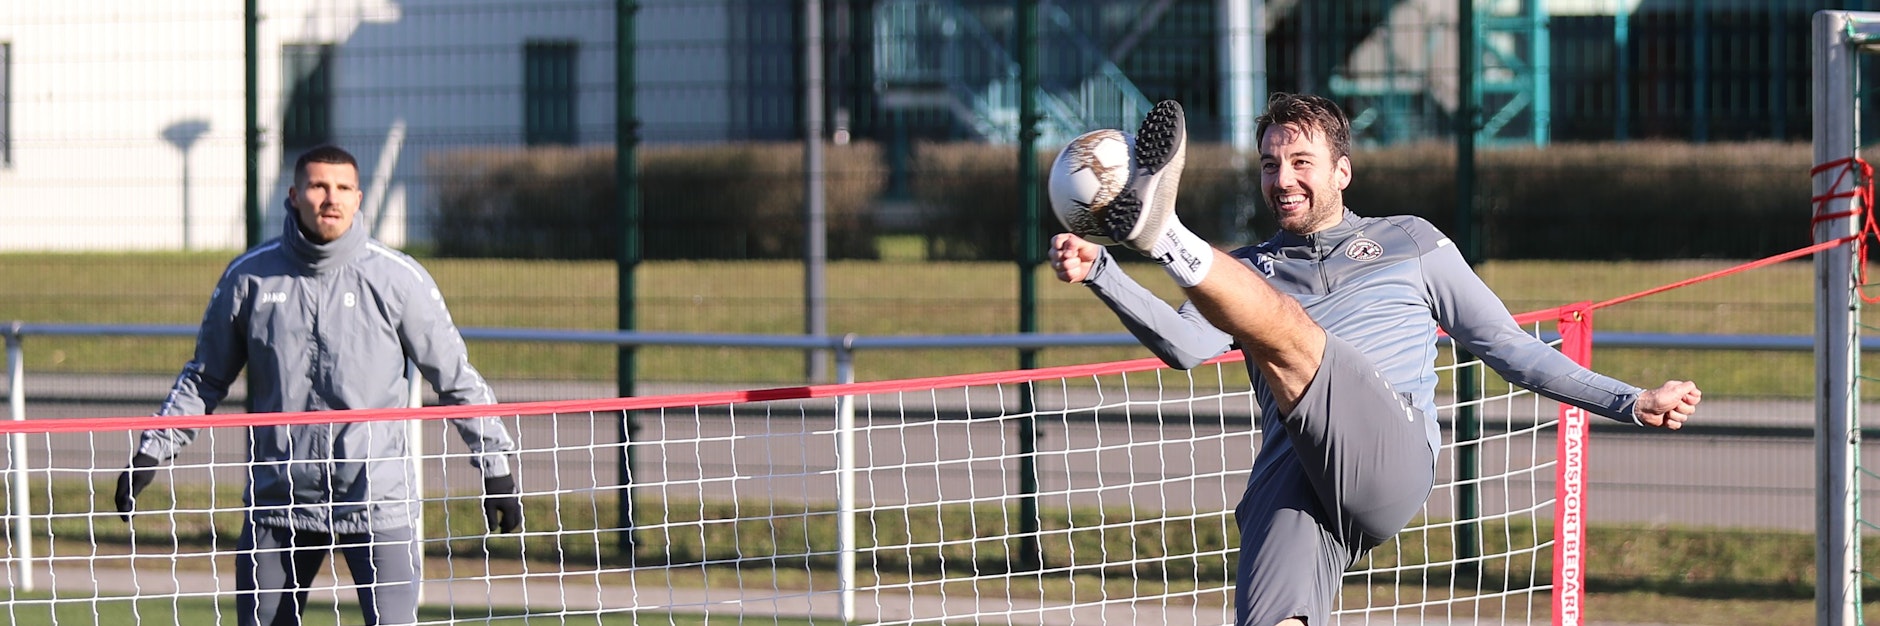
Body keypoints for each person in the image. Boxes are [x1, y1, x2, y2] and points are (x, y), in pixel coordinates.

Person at [1050, 95, 1702, 626]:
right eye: (1270, 165)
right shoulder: (1243, 273)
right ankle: (1157, 236)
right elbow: (1187, 347)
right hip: (1294, 478)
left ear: (1342, 171)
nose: (1283, 179)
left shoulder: (1410, 242)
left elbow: (1509, 348)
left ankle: (1163, 234)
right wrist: (1103, 271)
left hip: (1390, 457)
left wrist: (1631, 401)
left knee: (1287, 331)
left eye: (1301, 161)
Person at [114, 144, 523, 626]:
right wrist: (152, 452)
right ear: (293, 195)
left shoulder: (397, 279)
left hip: (377, 500)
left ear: (358, 197)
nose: (331, 198)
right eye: (318, 186)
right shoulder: (249, 278)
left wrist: (495, 466)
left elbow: (456, 380)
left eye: (343, 187)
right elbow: (204, 378)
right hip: (279, 501)